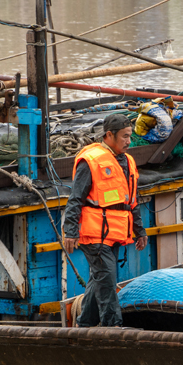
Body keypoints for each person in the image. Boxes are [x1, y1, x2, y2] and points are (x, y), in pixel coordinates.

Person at [63, 114, 147, 327]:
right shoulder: (91, 160)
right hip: (94, 236)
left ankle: (85, 326)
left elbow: (131, 201)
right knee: (108, 281)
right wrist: (70, 231)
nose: (129, 141)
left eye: (130, 136)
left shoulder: (128, 161)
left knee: (99, 280)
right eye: (124, 137)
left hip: (115, 233)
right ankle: (113, 327)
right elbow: (75, 199)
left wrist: (140, 231)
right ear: (109, 135)